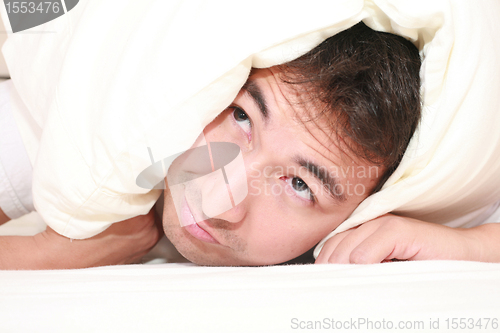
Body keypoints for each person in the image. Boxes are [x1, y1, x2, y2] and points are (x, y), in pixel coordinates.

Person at [1, 21, 473, 269]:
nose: (220, 202)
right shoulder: (66, 119)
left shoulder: (422, 183)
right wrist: (47, 253)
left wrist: (447, 239)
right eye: (242, 117)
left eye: (301, 185)